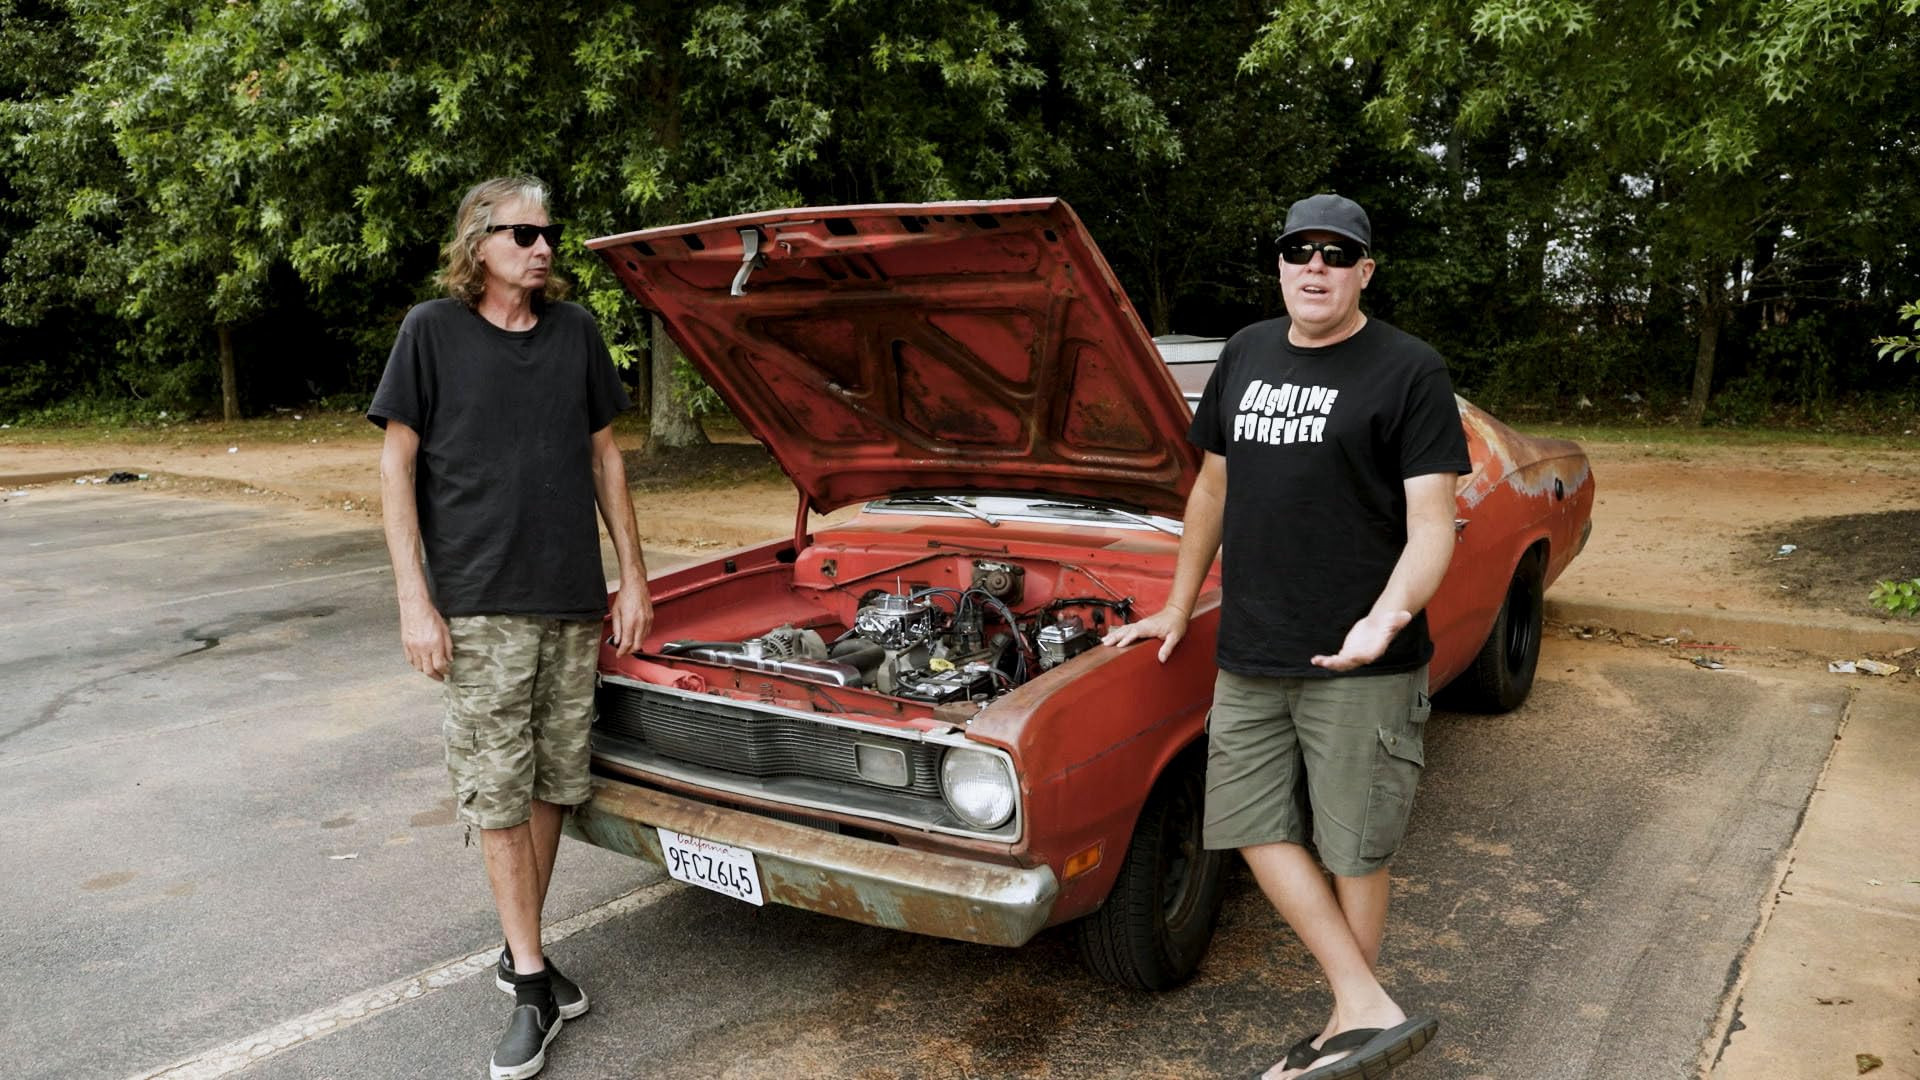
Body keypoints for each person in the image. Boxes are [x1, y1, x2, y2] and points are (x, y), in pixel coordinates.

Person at [1103, 193, 1467, 1080]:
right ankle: (1365, 1007)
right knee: (1248, 821)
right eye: (1301, 250)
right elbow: (1211, 490)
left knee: (1354, 850)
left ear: (1364, 271)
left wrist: (1388, 615)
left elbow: (1433, 525)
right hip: (1251, 650)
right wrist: (1179, 606)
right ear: (1279, 264)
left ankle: (1348, 1027)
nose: (1316, 267)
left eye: (1337, 254)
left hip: (1362, 663)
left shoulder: (1410, 370)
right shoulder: (1246, 351)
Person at [369, 176, 653, 1080]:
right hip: (478, 601)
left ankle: (519, 949)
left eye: (547, 232)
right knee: (498, 790)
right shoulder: (431, 332)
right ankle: (531, 978)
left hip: (570, 598)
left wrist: (633, 577)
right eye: (523, 234)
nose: (542, 247)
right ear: (478, 243)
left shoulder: (575, 333)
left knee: (554, 783)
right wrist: (414, 601)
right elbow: (395, 466)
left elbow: (605, 457)